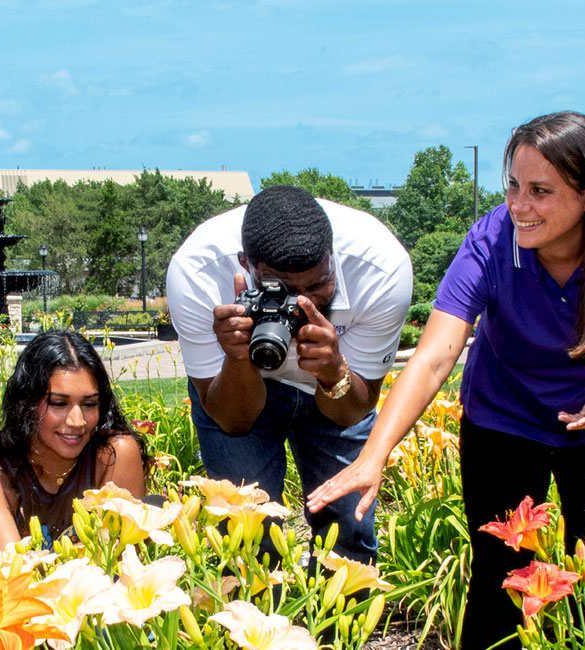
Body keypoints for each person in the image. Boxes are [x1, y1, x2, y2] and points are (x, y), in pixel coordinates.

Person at [308, 112, 585, 650]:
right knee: (500, 582)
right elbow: (435, 356)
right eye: (512, 185)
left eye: (540, 191)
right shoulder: (492, 238)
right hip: (503, 419)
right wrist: (374, 455)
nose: (518, 206)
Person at [165, 185, 412, 563]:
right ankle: (258, 622)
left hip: (336, 385)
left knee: (347, 534)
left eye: (317, 284)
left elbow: (352, 413)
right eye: (281, 288)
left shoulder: (380, 269)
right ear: (245, 264)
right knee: (247, 533)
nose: (303, 303)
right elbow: (233, 420)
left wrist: (333, 371)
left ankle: (339, 621)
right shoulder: (197, 272)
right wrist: (236, 357)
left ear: (334, 258)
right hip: (240, 388)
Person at [0, 329, 150, 555]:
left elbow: (120, 563)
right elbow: (13, 579)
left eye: (89, 404)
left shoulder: (114, 455)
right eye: (59, 403)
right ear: (26, 402)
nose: (77, 421)